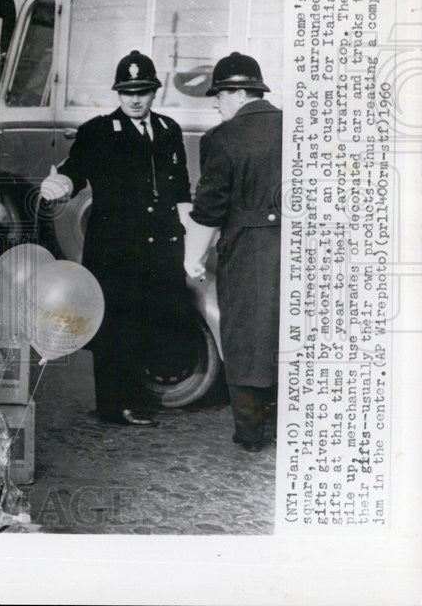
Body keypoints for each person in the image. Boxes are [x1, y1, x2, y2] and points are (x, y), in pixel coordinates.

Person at [40, 50, 194, 426]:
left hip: (160, 247)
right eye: (127, 92)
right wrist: (61, 183)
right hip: (116, 250)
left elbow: (182, 189)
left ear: (154, 91)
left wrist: (190, 235)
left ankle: (135, 396)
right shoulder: (97, 132)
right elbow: (75, 170)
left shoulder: (169, 129)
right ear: (117, 93)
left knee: (148, 320)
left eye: (142, 91)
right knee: (115, 325)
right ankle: (113, 405)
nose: (135, 99)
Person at [183, 52, 282, 452]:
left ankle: (251, 434)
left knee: (244, 339)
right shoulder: (298, 127)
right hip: (297, 249)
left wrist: (193, 260)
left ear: (238, 93)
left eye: (219, 95)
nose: (216, 103)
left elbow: (208, 211)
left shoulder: (221, 139)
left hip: (248, 250)